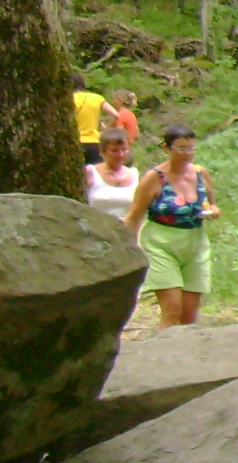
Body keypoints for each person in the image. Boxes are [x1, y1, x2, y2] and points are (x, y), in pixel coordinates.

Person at [124, 121, 219, 328]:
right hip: (161, 243)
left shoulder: (200, 173)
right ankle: (162, 353)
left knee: (189, 315)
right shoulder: (154, 178)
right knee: (173, 308)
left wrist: (213, 210)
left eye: (191, 148)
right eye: (181, 149)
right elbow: (134, 216)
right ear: (167, 149)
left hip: (195, 243)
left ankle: (185, 356)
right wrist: (126, 248)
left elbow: (210, 202)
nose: (187, 154)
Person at [85, 126, 138, 220]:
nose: (121, 155)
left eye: (124, 150)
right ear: (102, 152)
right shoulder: (90, 172)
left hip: (125, 231)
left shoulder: (134, 174)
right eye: (115, 151)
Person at [70, 72, 118, 165]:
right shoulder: (96, 98)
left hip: (74, 143)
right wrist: (106, 130)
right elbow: (116, 115)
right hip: (94, 143)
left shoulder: (68, 100)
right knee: (95, 176)